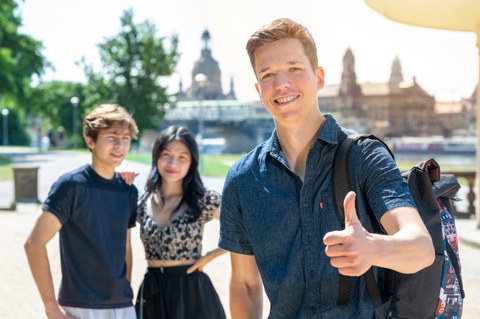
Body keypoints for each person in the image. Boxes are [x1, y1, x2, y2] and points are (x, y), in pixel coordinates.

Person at [218, 18, 435, 318]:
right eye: (268, 74)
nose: (282, 84)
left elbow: (421, 248)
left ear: (319, 77)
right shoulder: (242, 180)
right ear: (258, 89)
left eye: (294, 68)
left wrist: (372, 248)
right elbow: (244, 284)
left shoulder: (364, 156)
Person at [24, 104, 139, 319]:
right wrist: (51, 307)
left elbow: (125, 247)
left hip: (123, 306)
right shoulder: (71, 186)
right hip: (80, 306)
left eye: (125, 138)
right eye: (112, 137)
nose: (120, 145)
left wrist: (125, 295)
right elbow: (34, 244)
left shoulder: (128, 190)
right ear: (90, 140)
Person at [134, 125, 226, 319]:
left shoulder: (204, 199)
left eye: (182, 157)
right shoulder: (142, 200)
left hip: (191, 292)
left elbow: (247, 228)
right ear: (156, 157)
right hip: (152, 291)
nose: (173, 163)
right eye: (166, 154)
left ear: (192, 162)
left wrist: (210, 255)